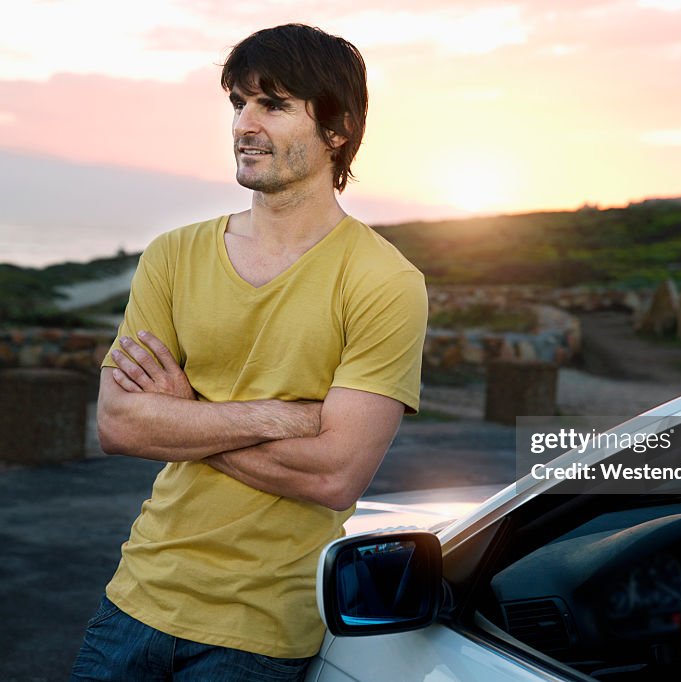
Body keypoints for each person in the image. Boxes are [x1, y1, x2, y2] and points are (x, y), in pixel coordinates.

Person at [70, 23, 427, 681]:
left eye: (274, 103)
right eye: (238, 102)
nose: (245, 124)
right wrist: (286, 415)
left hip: (263, 631)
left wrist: (186, 415)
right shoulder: (172, 255)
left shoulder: (384, 280)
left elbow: (333, 475)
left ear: (337, 128)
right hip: (137, 596)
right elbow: (119, 424)